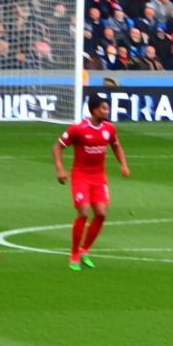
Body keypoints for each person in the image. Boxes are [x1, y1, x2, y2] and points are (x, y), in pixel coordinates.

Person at [53, 93, 129, 271]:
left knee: (101, 213)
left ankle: (84, 250)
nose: (107, 110)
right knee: (84, 212)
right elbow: (57, 146)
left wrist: (123, 165)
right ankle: (74, 254)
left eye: (107, 107)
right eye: (104, 107)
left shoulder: (109, 129)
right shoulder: (78, 129)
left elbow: (116, 146)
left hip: (99, 177)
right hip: (80, 176)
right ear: (94, 110)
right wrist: (60, 169)